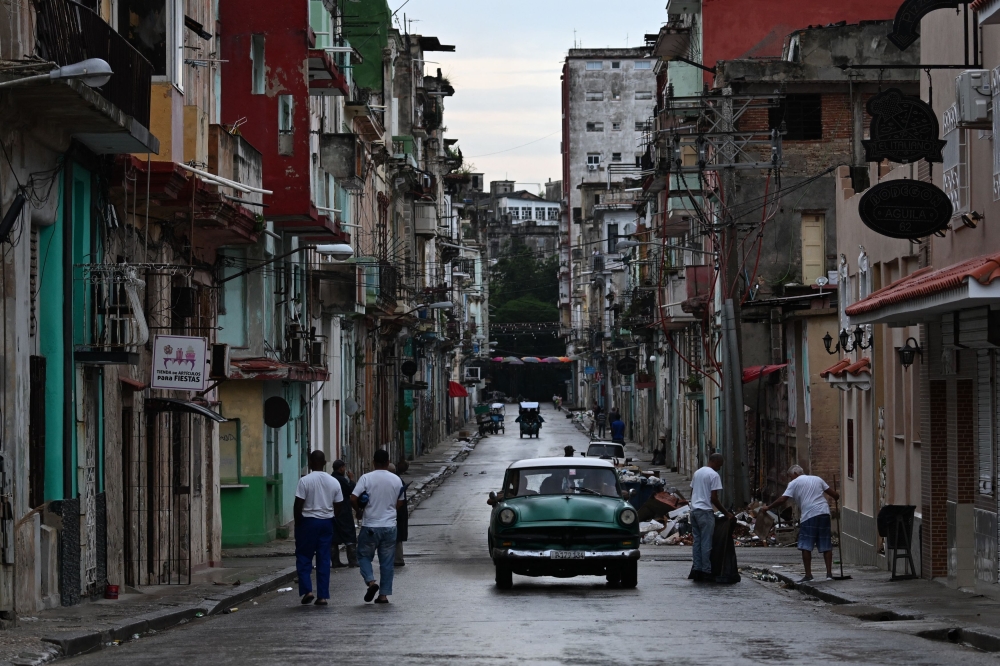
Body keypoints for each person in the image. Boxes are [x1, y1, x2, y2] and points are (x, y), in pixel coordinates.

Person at [762, 465, 841, 582]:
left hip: (809, 515)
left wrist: (768, 507)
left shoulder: (794, 483)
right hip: (824, 513)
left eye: (790, 476)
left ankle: (809, 575)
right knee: (826, 544)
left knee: (806, 545)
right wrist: (836, 496)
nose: (790, 479)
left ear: (795, 473)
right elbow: (835, 495)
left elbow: (783, 499)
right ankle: (829, 574)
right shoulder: (817, 479)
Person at [351, 449, 404, 604]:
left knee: (363, 556)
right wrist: (390, 510)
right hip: (389, 526)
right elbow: (400, 502)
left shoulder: (366, 478)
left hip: (371, 526)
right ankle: (383, 595)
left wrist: (359, 512)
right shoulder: (396, 480)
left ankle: (371, 582)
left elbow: (353, 498)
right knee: (387, 562)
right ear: (388, 463)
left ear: (373, 462)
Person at [294, 450, 343, 605]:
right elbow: (339, 504)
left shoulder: (305, 481)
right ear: (324, 463)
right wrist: (331, 515)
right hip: (326, 522)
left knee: (304, 557)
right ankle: (322, 596)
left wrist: (298, 522)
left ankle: (307, 591)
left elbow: (298, 504)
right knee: (323, 558)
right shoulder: (333, 482)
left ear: (310, 462)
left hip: (308, 522)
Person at [689, 453, 733, 582]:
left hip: (694, 511)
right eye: (719, 465)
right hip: (705, 512)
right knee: (706, 542)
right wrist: (726, 513)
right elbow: (714, 498)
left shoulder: (698, 472)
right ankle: (706, 571)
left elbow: (692, 491)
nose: (720, 468)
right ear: (715, 461)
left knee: (697, 542)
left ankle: (697, 569)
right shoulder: (714, 475)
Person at [330, 460, 357, 568]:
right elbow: (350, 490)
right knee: (349, 535)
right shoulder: (341, 480)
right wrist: (351, 479)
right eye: (344, 467)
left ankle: (335, 561)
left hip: (332, 510)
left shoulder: (331, 479)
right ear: (341, 468)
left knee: (334, 536)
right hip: (344, 510)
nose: (345, 470)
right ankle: (352, 560)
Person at [388, 462, 409, 568]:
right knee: (396, 536)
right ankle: (396, 558)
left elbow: (399, 501)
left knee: (396, 536)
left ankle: (398, 558)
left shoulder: (395, 481)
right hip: (398, 513)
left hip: (397, 513)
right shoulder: (397, 480)